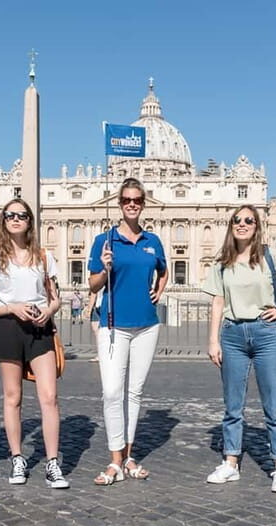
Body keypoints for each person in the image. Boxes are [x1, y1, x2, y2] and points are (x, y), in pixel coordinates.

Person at [202, 205, 276, 493]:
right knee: (232, 406)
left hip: (266, 333)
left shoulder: (271, 256)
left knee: (274, 405)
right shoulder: (222, 262)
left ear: (257, 225)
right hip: (232, 335)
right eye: (237, 220)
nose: (243, 224)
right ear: (231, 225)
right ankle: (231, 462)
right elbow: (218, 302)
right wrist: (213, 340)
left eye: (249, 220)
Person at [0, 199, 69, 489]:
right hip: (8, 327)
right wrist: (12, 307)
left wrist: (49, 311)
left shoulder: (44, 257)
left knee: (49, 396)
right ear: (3, 221)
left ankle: (53, 462)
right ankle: (18, 457)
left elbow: (56, 298)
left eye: (21, 215)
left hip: (40, 329)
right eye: (10, 216)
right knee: (12, 397)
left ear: (30, 221)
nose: (15, 219)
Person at [88, 177, 168, 485]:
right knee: (112, 392)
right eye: (126, 200)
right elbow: (92, 285)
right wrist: (105, 268)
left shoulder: (152, 242)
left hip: (147, 324)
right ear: (119, 204)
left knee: (134, 393)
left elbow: (164, 270)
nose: (132, 204)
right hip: (112, 324)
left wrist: (159, 290)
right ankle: (114, 460)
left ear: (143, 204)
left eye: (137, 200)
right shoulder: (104, 241)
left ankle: (129, 456)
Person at [86, 289, 103, 362]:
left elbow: (94, 292)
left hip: (98, 305)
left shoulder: (96, 278)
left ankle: (100, 355)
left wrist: (89, 309)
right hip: (105, 305)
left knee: (97, 332)